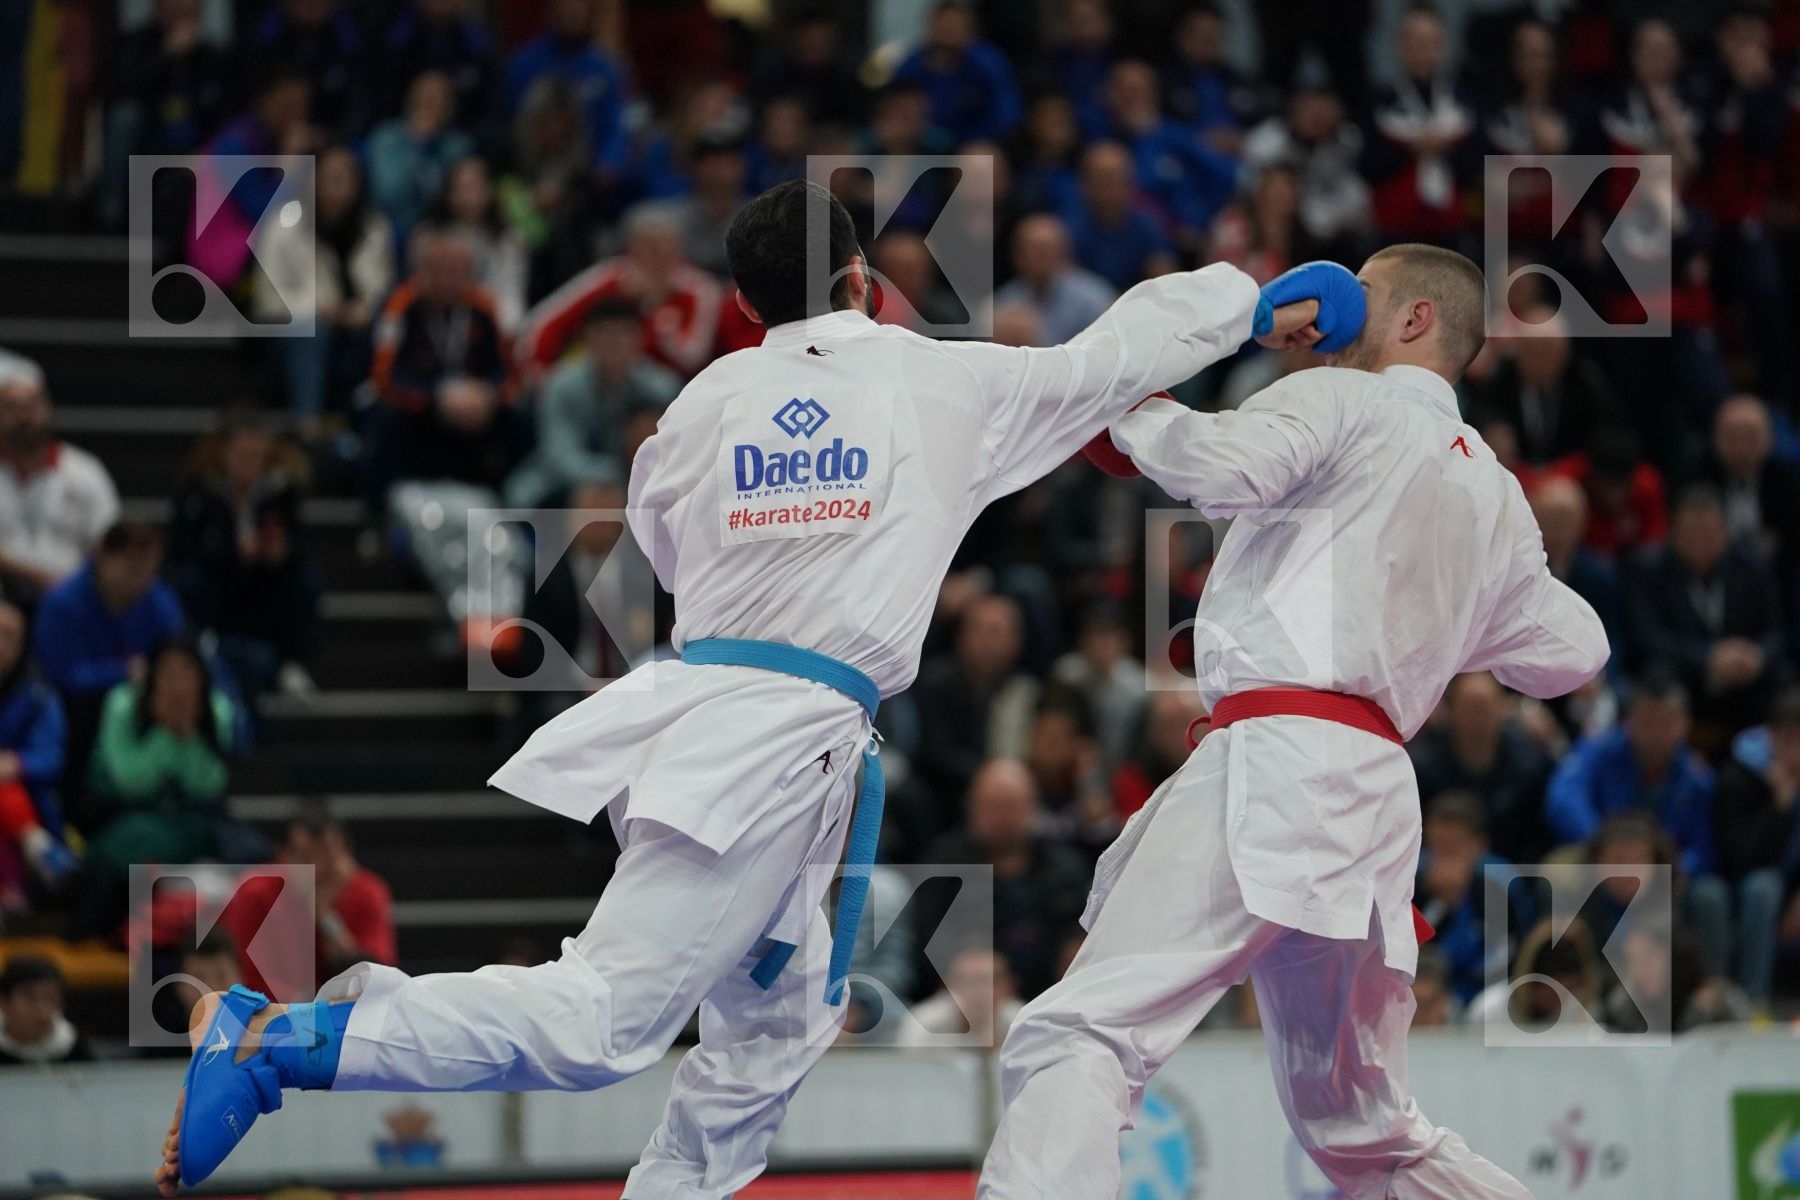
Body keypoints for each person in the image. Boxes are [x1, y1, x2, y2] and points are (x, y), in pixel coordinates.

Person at [157, 177, 1345, 1197]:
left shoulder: (702, 401)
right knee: (602, 1020)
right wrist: (1251, 301)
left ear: (744, 301)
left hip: (722, 713)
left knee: (775, 1028)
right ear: (864, 278)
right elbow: (1116, 352)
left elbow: (665, 552)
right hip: (775, 743)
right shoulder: (943, 383)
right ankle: (283, 1040)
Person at [981, 244, 1609, 1199]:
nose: (1337, 311)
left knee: (1085, 1026)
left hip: (1279, 758)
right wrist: (1438, 612)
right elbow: (1577, 650)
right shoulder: (1498, 495)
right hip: (1375, 797)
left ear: (1413, 320)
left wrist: (1126, 400)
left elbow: (1217, 464)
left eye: (1364, 292)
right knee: (1359, 1125)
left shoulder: (1340, 399)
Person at [0, 360, 122, 599]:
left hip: (73, 596)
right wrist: (31, 575)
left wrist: (76, 586)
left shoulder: (86, 471)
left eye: (31, 406)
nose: (23, 417)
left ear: (47, 409)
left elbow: (108, 542)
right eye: (11, 408)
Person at [0, 956, 92, 1066]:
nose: (41, 1011)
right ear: (3, 1002)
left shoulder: (77, 1051)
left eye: (50, 998)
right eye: (31, 999)